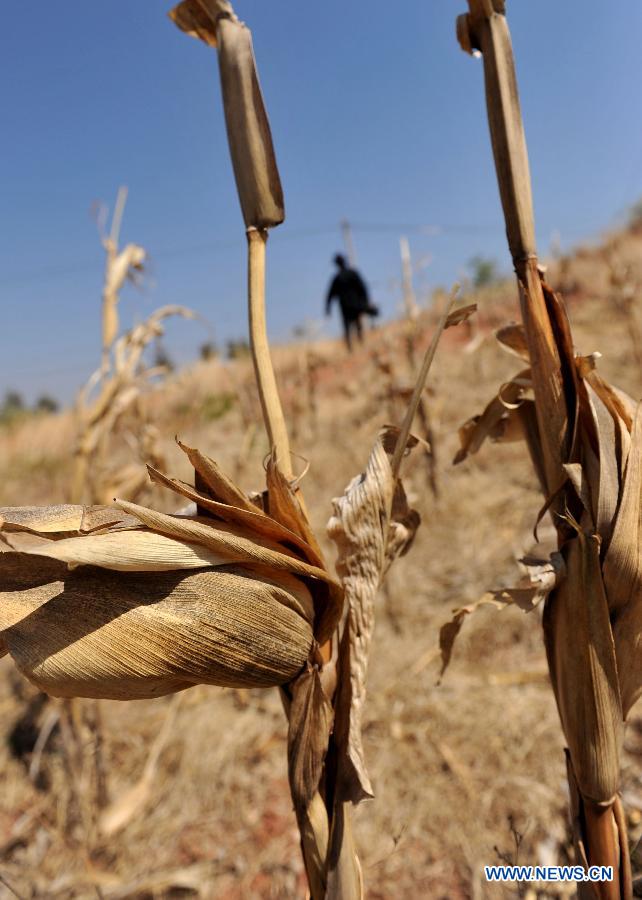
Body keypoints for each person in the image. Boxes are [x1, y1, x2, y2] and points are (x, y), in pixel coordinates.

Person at [325, 254, 378, 350]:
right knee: (357, 324)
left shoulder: (337, 278)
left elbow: (330, 295)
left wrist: (328, 309)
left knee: (347, 327)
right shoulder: (352, 273)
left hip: (345, 306)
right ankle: (359, 343)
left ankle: (352, 347)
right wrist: (365, 301)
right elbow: (363, 287)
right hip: (355, 304)